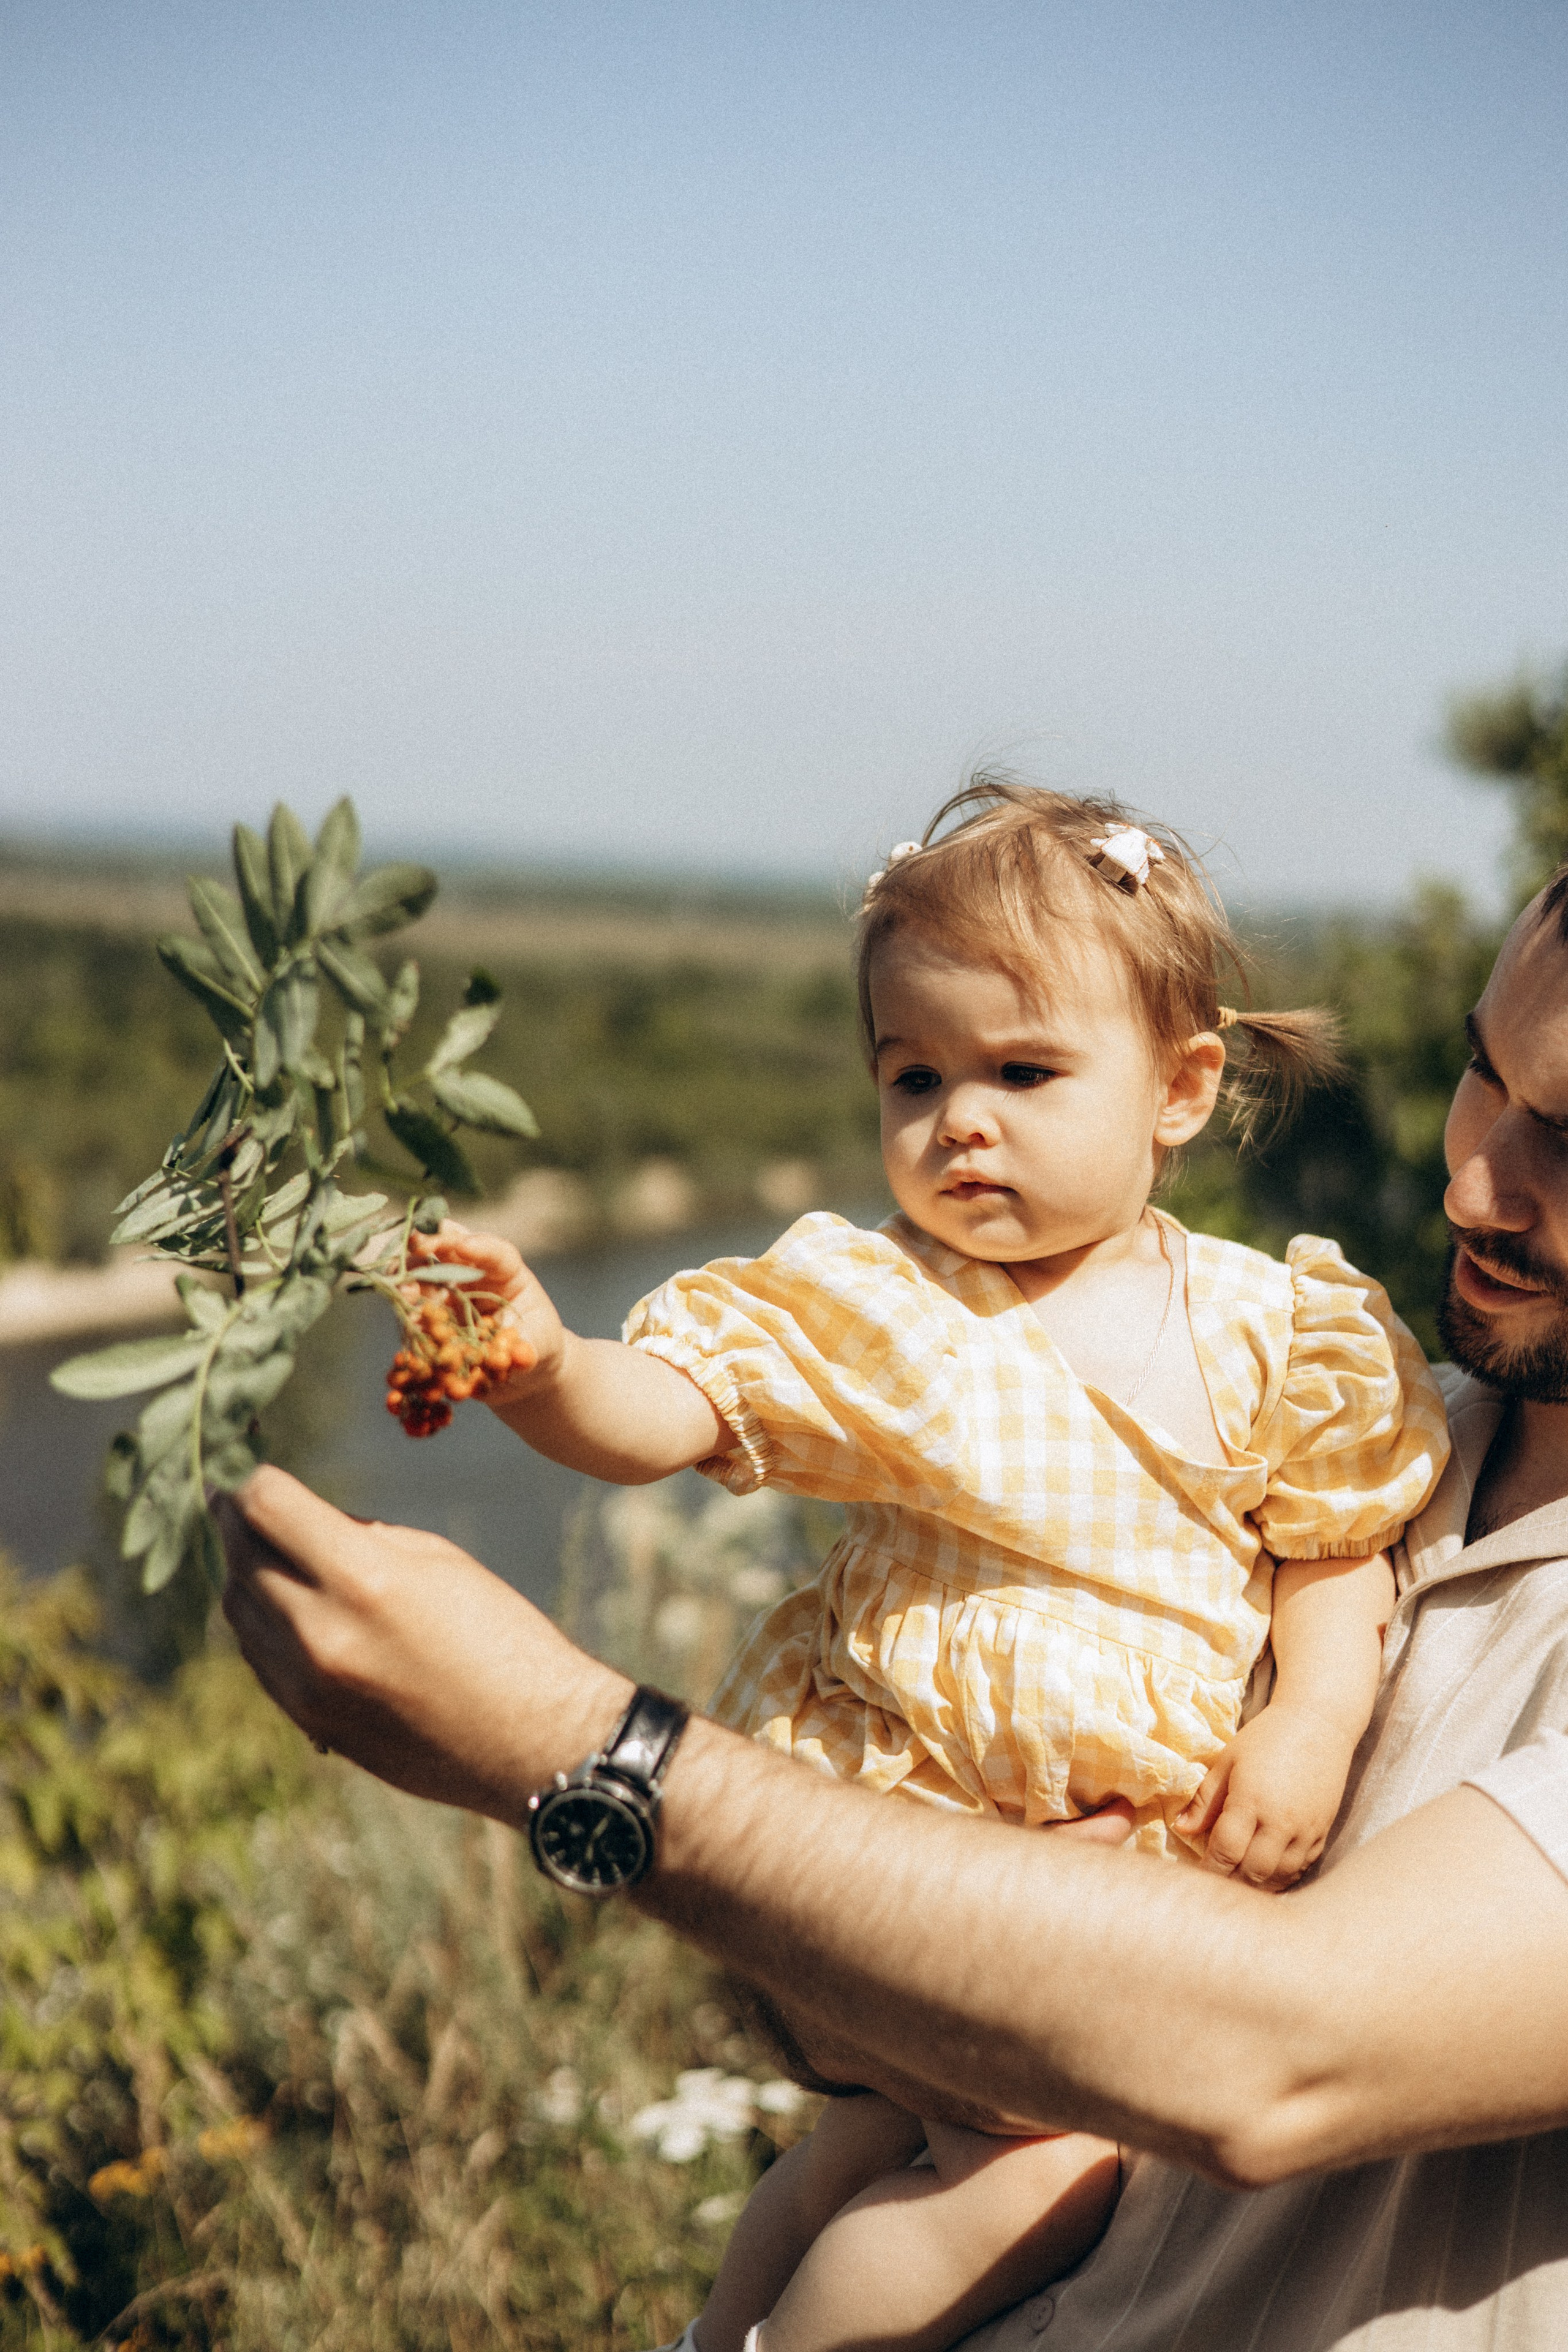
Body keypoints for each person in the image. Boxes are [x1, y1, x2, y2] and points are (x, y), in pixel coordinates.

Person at [386, 782, 1449, 2352]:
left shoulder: (1275, 1332)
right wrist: (545, 1367)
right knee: (1051, 2167)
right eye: (914, 1075)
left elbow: (1334, 1554)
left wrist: (1308, 1723)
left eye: (1024, 1073)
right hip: (910, 1843)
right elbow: (673, 1410)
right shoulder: (885, 1309)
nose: (960, 1119)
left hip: (1119, 1862)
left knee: (864, 2152)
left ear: (1177, 1087)